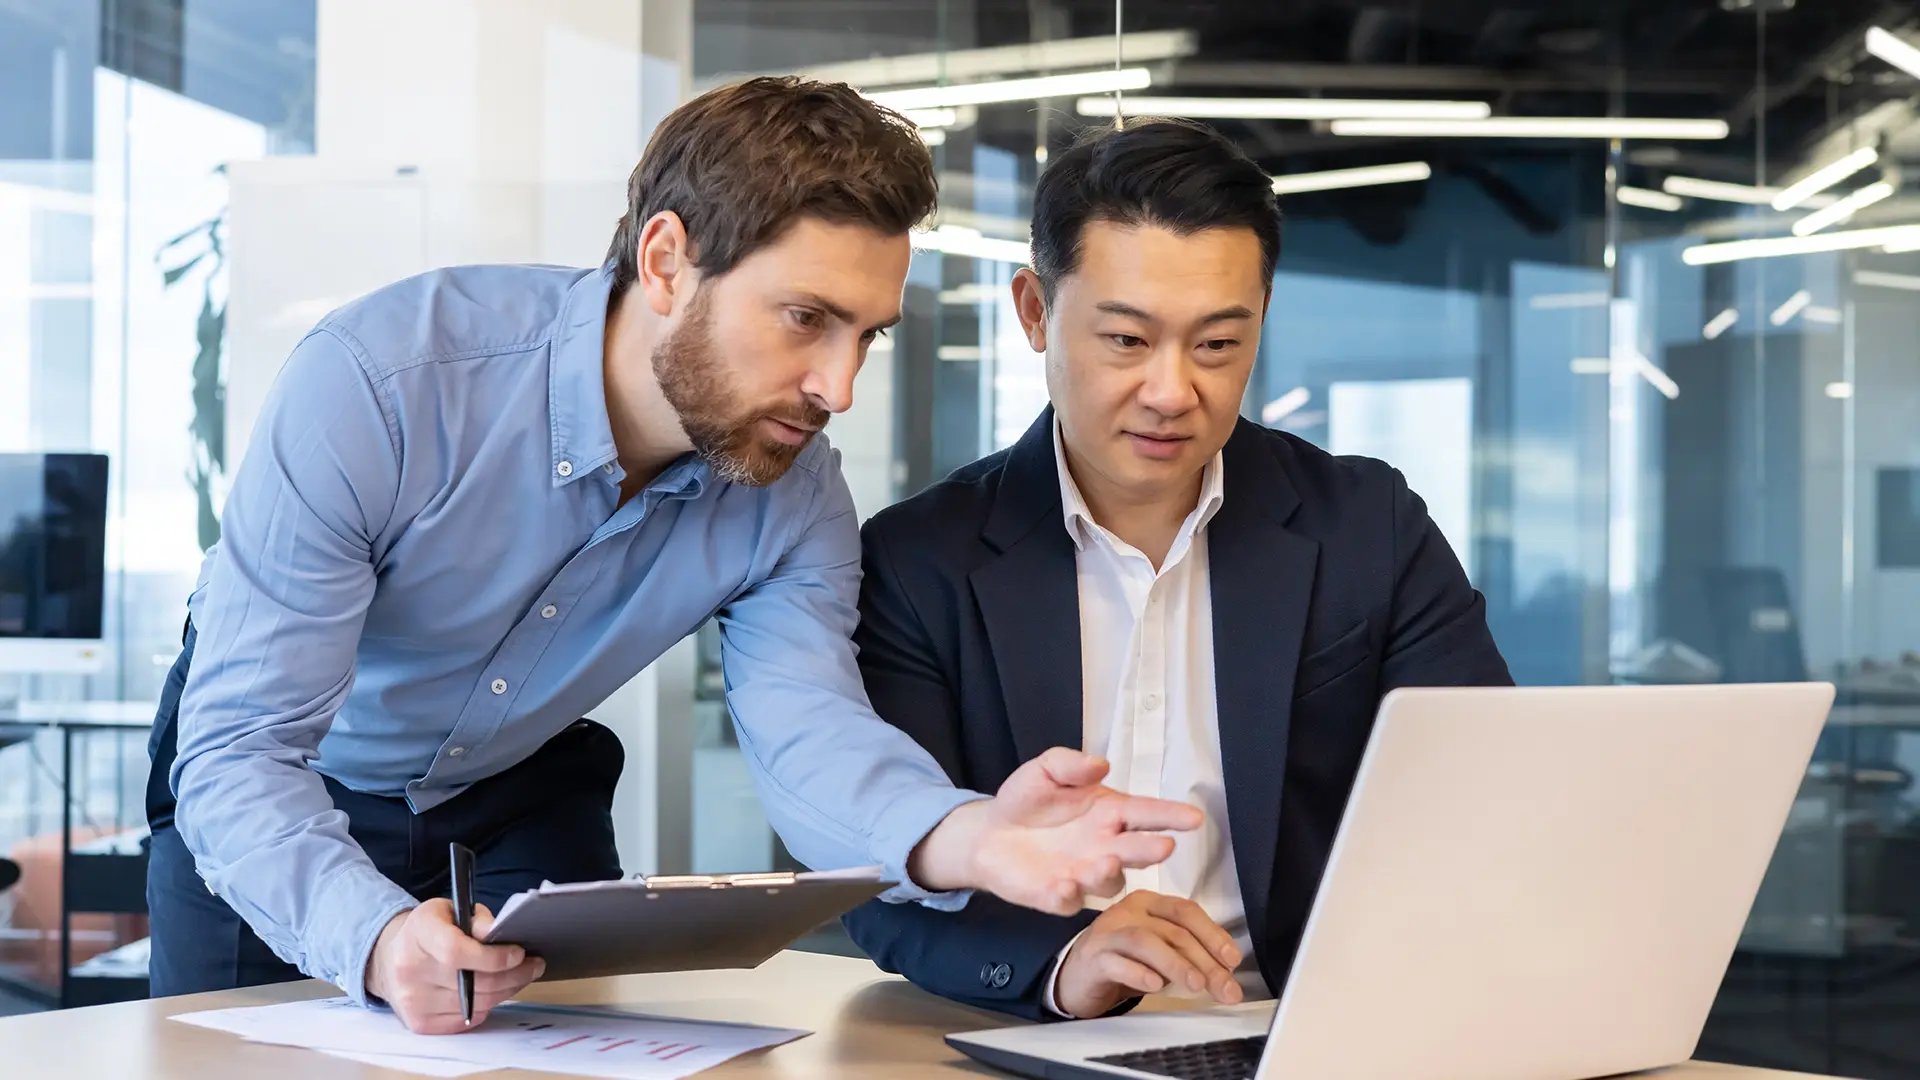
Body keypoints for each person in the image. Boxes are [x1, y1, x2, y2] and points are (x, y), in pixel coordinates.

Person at [144, 78, 1204, 1034]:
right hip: (281, 780)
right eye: (805, 319)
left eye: (867, 335)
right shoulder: (383, 386)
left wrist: (974, 837)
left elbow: (811, 734)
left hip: (517, 791)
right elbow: (241, 751)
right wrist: (373, 941)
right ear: (665, 261)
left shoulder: (796, 492)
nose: (838, 387)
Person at [841, 119, 1513, 1020]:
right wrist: (1067, 962)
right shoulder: (919, 560)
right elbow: (880, 882)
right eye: (1126, 341)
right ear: (1035, 313)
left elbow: (1484, 793)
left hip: (1303, 1031)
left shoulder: (1367, 526)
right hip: (1041, 1032)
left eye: (1217, 346)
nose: (1171, 391)